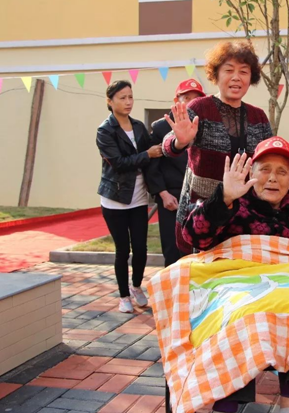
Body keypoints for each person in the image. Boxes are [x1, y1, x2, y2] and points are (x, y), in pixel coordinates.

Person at [180, 136, 289, 413]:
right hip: (236, 285)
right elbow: (193, 236)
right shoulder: (233, 197)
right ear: (251, 172)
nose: (273, 178)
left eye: (281, 171)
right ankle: (228, 406)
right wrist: (222, 198)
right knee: (240, 315)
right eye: (265, 169)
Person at [161, 41, 273, 253]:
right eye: (229, 70)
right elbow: (168, 146)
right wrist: (180, 141)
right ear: (216, 75)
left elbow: (268, 159)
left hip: (246, 212)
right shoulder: (200, 107)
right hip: (205, 212)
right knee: (206, 276)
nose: (236, 77)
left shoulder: (259, 116)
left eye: (244, 72)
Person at [96, 80, 163, 313]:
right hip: (115, 198)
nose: (128, 102)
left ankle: (136, 286)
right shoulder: (105, 131)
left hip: (138, 197)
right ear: (110, 101)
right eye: (122, 97)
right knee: (122, 249)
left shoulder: (138, 127)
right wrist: (147, 154)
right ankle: (123, 295)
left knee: (141, 248)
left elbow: (154, 153)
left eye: (130, 97)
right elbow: (119, 163)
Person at [147, 79, 206, 266]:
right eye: (186, 98)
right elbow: (152, 166)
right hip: (171, 198)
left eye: (195, 99)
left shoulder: (208, 126)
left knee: (200, 252)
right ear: (176, 100)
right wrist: (163, 194)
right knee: (172, 250)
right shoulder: (160, 128)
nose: (190, 103)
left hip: (200, 198)